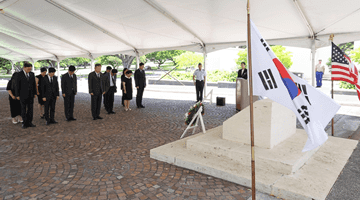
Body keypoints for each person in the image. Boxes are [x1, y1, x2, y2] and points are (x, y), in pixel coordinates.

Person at [15, 62, 37, 129]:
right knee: (23, 109)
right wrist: (17, 95)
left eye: (30, 69)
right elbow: (17, 85)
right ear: (24, 68)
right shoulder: (19, 74)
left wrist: (35, 93)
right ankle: (24, 123)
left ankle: (30, 122)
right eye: (28, 69)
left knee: (30, 109)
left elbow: (34, 84)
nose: (29, 70)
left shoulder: (32, 74)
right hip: (22, 95)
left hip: (31, 95)